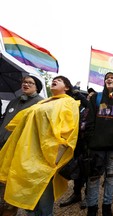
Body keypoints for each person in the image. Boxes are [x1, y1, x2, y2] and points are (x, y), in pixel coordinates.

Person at [0, 75, 79, 216]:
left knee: (42, 202)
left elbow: (68, 131)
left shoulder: (69, 102)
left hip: (46, 158)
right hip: (29, 155)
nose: (54, 80)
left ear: (66, 87)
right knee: (30, 203)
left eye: (59, 80)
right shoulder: (45, 103)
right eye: (54, 79)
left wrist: (55, 158)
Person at [0, 75, 44, 216]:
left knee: (12, 185)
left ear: (37, 87)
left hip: (19, 151)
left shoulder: (40, 104)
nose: (26, 84)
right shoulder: (14, 102)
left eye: (30, 83)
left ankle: (10, 210)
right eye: (24, 82)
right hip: (3, 147)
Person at [85, 72, 113, 216]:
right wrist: (90, 139)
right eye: (107, 78)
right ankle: (92, 208)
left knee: (110, 177)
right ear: (104, 82)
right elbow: (89, 119)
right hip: (96, 147)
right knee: (94, 178)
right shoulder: (96, 98)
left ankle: (107, 207)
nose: (109, 79)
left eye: (112, 78)